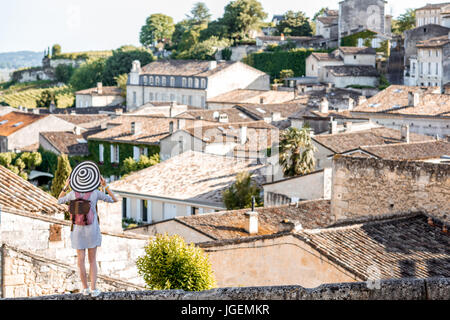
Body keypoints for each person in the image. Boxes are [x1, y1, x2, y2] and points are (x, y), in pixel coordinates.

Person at [58, 161, 118, 297]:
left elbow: (59, 200)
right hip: (92, 230)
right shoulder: (95, 193)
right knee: (92, 260)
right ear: (92, 179)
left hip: (77, 231)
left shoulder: (72, 193)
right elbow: (114, 199)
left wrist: (66, 186)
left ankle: (84, 289)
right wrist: (105, 186)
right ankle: (94, 289)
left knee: (80, 260)